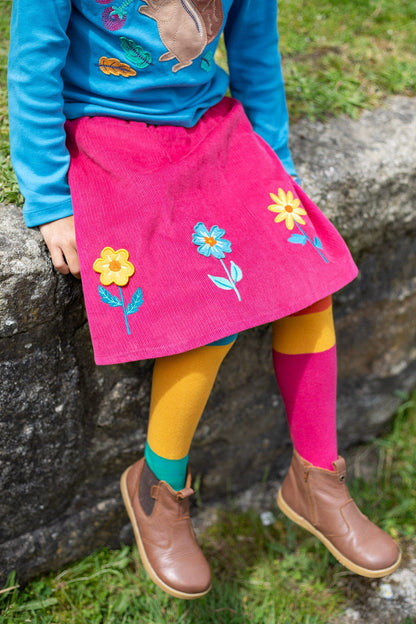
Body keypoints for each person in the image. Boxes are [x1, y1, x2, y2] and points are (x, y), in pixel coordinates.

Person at [8, 0, 400, 601]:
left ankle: (316, 477)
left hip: (211, 128)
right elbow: (34, 61)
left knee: (307, 282)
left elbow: (255, 56)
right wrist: (49, 198)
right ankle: (157, 486)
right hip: (111, 136)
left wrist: (278, 166)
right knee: (208, 302)